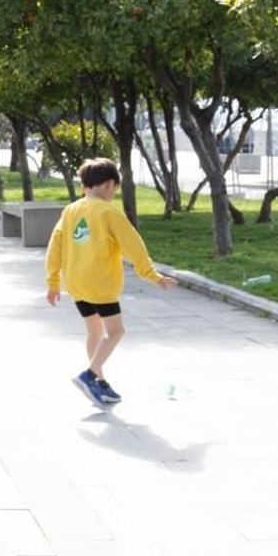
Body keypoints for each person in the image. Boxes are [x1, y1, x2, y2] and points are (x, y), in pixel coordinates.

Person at [44, 157, 178, 407]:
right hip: (101, 284)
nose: (113, 195)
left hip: (76, 284)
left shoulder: (71, 210)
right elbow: (133, 245)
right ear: (108, 185)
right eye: (114, 190)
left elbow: (55, 245)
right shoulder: (109, 212)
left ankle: (99, 383)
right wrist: (153, 276)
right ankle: (90, 374)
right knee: (116, 331)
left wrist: (53, 282)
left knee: (94, 330)